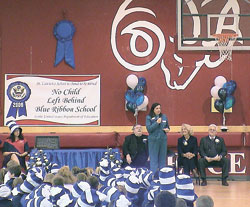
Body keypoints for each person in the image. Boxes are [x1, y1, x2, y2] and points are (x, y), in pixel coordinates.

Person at [146, 103, 170, 174]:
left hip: (163, 140)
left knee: (162, 159)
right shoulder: (149, 117)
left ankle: (162, 176)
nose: (159, 110)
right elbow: (149, 129)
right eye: (157, 108)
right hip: (153, 141)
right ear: (153, 109)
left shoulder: (164, 116)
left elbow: (168, 127)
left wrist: (167, 129)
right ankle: (153, 176)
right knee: (154, 159)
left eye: (159, 108)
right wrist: (156, 123)